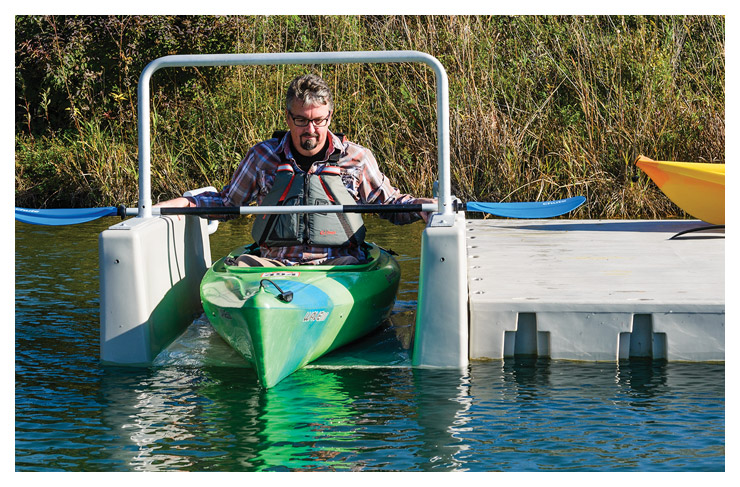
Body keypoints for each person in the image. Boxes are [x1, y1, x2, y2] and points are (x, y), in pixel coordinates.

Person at [156, 73, 434, 266]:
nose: (310, 130)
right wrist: (186, 203)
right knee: (239, 264)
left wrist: (424, 206)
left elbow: (391, 204)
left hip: (339, 265)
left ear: (329, 117)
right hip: (269, 265)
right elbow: (228, 203)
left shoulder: (356, 158)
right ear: (288, 118)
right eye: (301, 120)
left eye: (318, 120)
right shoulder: (262, 156)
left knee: (350, 261)